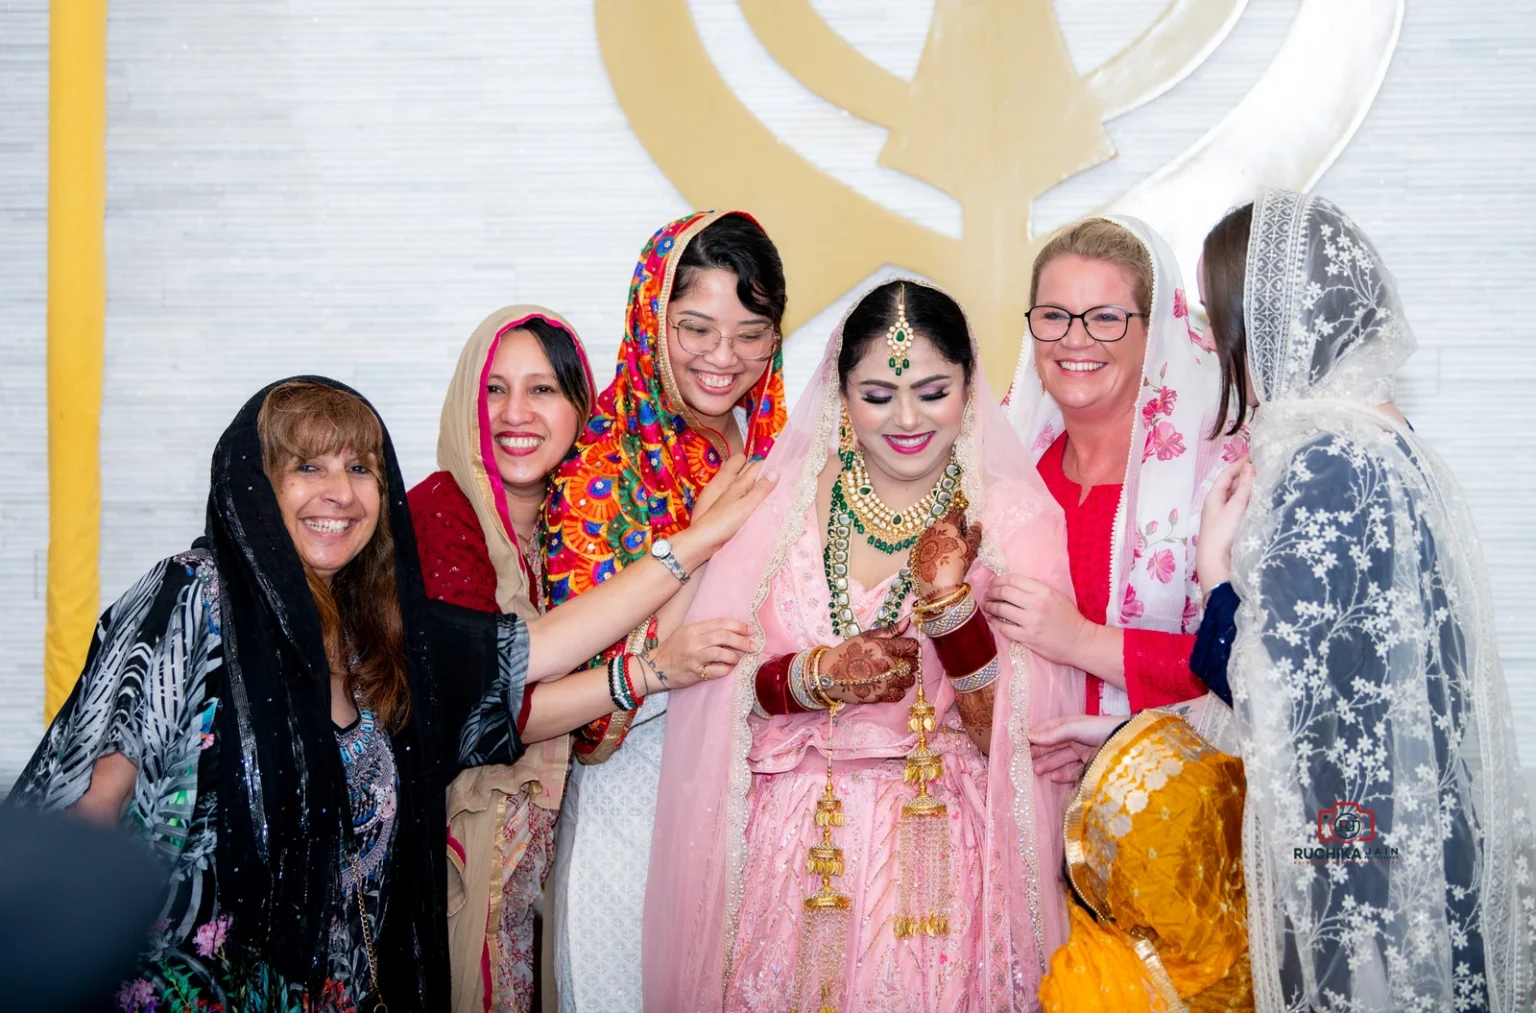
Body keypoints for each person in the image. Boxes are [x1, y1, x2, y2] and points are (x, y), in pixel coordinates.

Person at [8, 376, 772, 1012]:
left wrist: (695, 544)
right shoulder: (196, 595)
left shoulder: (380, 635)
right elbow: (92, 806)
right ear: (256, 484)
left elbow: (542, 649)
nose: (339, 492)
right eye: (307, 467)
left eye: (361, 467)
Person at [1034, 189, 1536, 1012]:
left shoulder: (1324, 464)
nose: (1205, 340)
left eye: (1215, 315)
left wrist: (1213, 572)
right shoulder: (1384, 441)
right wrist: (1133, 733)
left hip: (1349, 849)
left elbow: (1269, 694)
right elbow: (1335, 682)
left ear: (1265, 321)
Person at [643, 279, 1083, 1012]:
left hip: (937, 858)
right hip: (790, 853)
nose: (907, 418)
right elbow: (717, 682)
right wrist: (816, 675)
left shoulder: (1012, 519)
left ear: (971, 390)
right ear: (841, 396)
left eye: (933, 391)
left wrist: (948, 607)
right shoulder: (775, 503)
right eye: (878, 395)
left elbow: (1017, 740)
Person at [409, 306, 754, 1013]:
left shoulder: (583, 526)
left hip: (539, 860)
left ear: (580, 407)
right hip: (450, 859)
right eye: (494, 389)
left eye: (543, 390)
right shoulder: (444, 512)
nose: (516, 413)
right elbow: (504, 706)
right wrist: (655, 663)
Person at [542, 210, 789, 1010]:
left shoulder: (776, 448)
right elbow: (588, 722)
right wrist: (704, 536)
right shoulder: (601, 468)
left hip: (758, 811)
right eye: (697, 327)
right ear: (653, 317)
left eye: (753, 332)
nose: (725, 358)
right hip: (634, 814)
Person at [991, 216, 1245, 716]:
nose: (1073, 339)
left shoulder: (1221, 478)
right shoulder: (1011, 464)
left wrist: (1082, 641)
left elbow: (1252, 670)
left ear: (1154, 334)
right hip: (1020, 779)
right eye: (1053, 315)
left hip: (1168, 783)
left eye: (1105, 318)